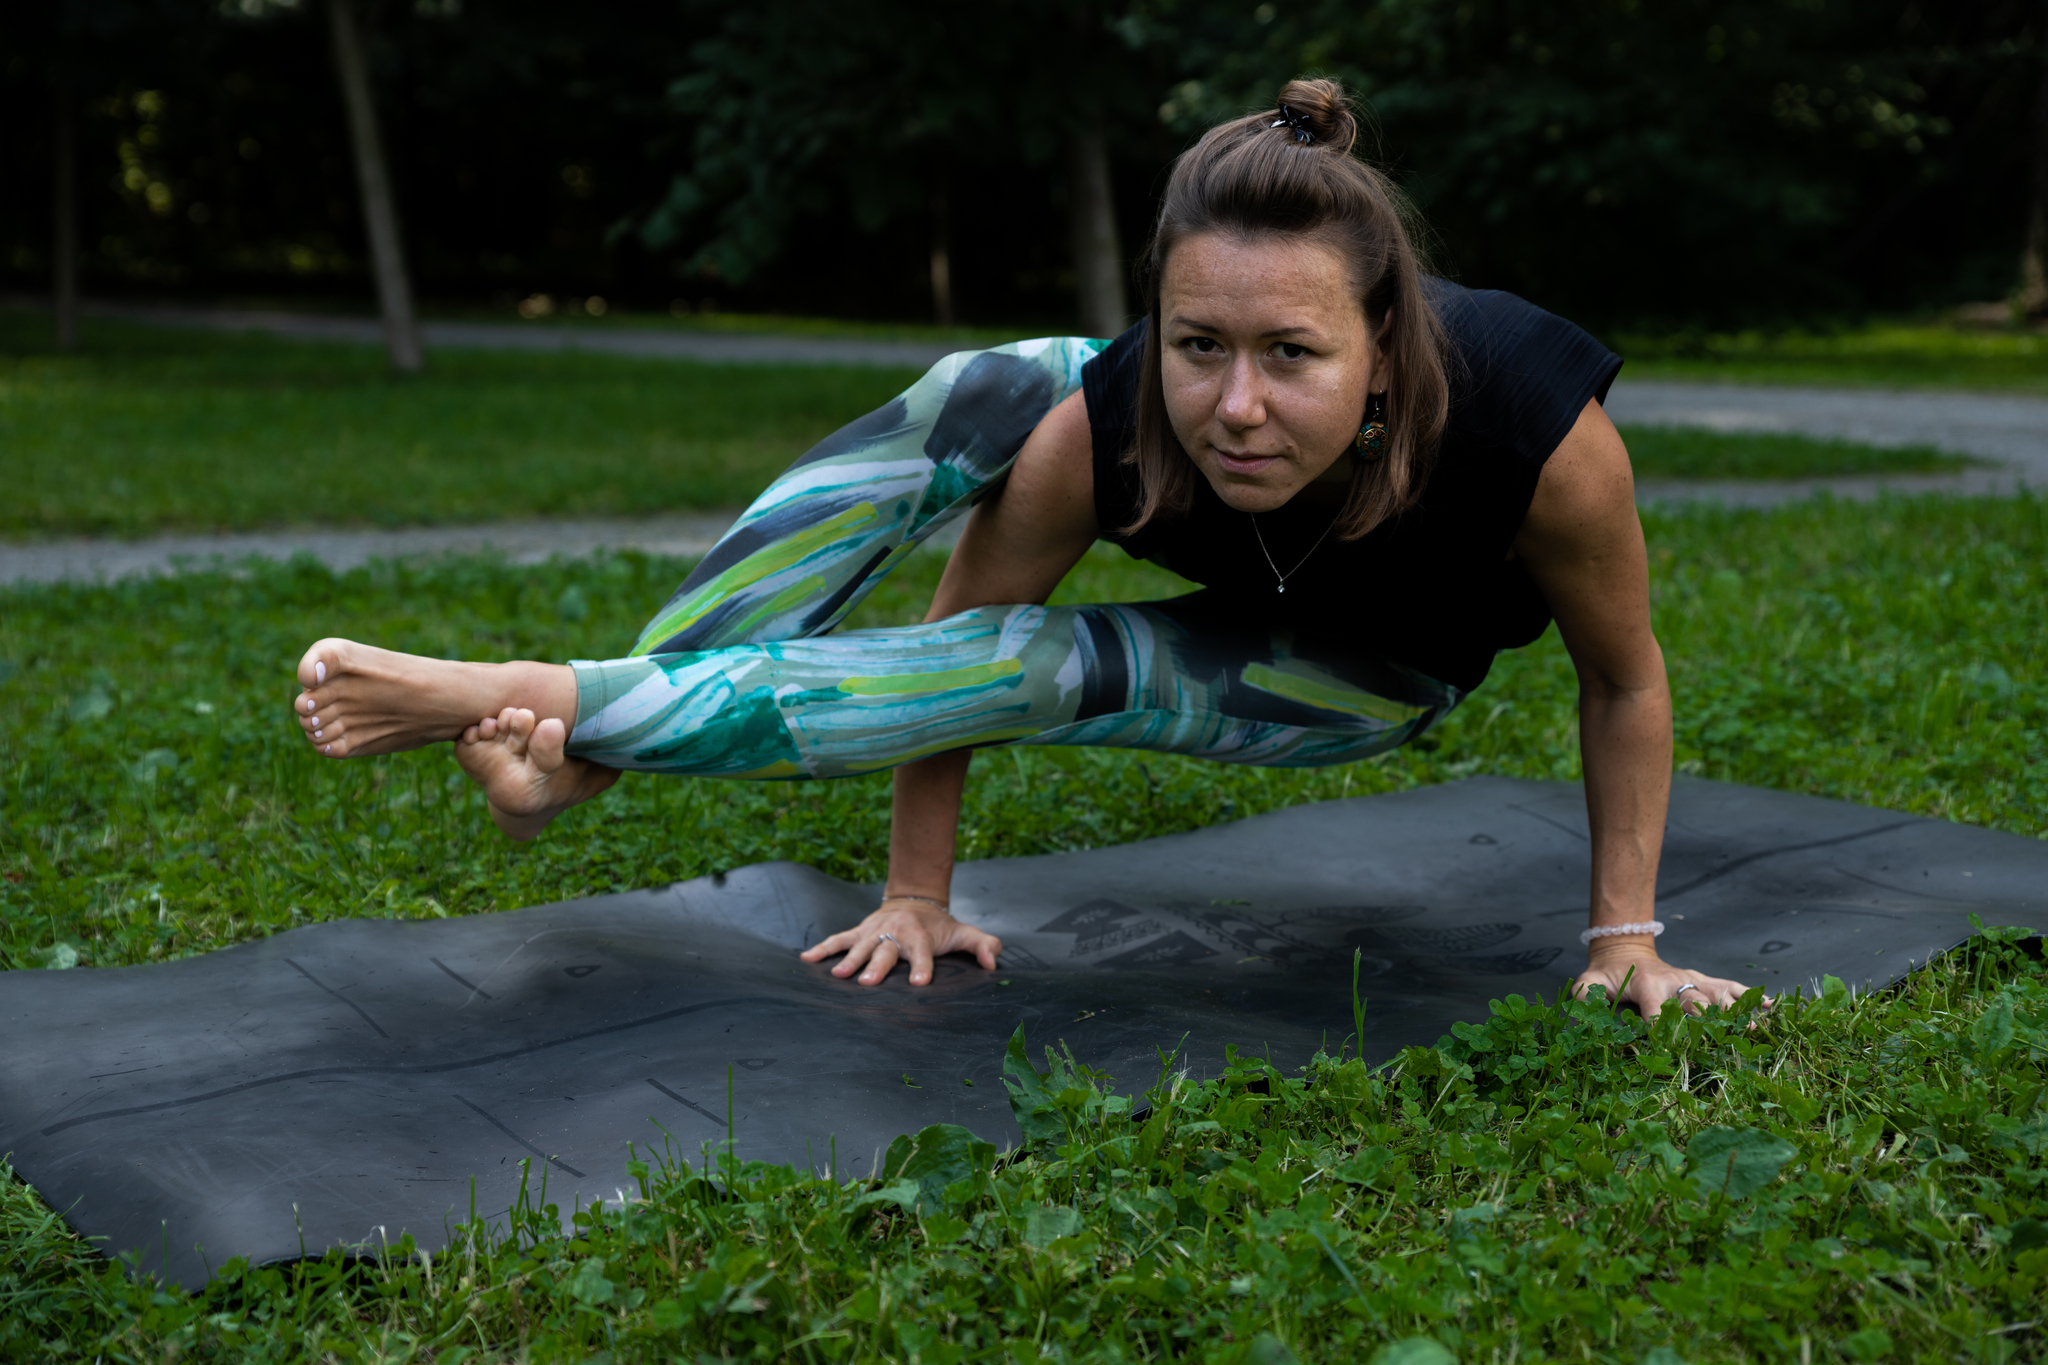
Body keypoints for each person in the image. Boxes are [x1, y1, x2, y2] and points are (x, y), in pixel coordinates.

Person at [289, 79, 1753, 1019]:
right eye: (1200, 345)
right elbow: (954, 651)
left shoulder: (1531, 435)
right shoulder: (1110, 420)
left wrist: (1623, 932)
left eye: (1291, 355)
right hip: (1088, 450)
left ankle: (571, 710)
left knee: (1066, 659)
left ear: (1383, 350)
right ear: (1159, 329)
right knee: (977, 393)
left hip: (1367, 673)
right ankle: (585, 742)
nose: (1236, 406)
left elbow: (1624, 680)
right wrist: (918, 893)